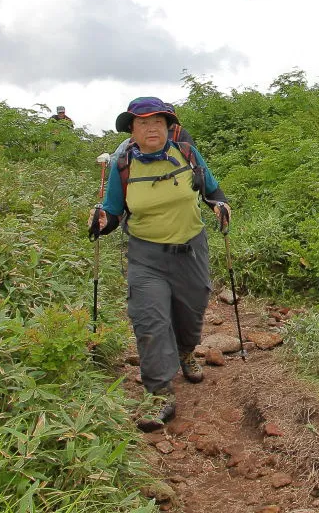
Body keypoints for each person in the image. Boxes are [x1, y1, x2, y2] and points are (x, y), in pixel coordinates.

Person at [87, 96, 231, 431]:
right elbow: (112, 212)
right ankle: (158, 393)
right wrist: (100, 220)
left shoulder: (187, 154)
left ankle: (185, 352)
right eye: (143, 123)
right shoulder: (124, 166)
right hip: (146, 256)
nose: (151, 128)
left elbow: (214, 192)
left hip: (191, 249)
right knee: (150, 321)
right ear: (132, 130)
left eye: (158, 122)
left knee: (191, 312)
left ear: (168, 127)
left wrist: (220, 207)